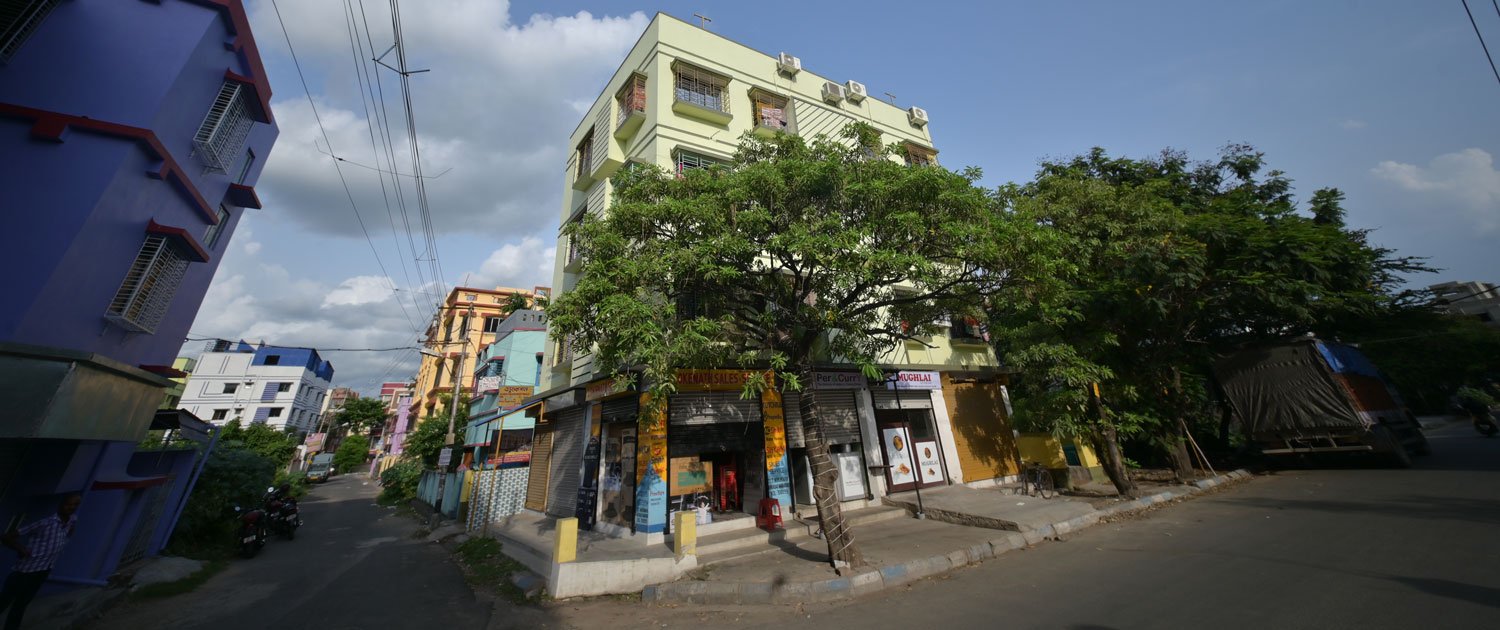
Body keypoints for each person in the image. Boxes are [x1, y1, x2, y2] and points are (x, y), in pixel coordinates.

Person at [0, 493, 81, 630]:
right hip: (25, 571)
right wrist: (21, 549)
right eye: (69, 504)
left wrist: (67, 536)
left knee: (21, 605)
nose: (71, 507)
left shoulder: (72, 519)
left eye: (75, 505)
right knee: (4, 602)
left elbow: (69, 531)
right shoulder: (45, 523)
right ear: (61, 504)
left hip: (43, 571)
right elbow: (6, 537)